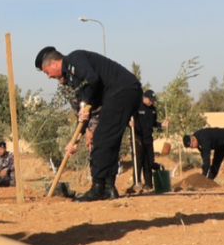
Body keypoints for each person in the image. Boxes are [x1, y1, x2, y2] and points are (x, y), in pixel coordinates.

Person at [35, 47, 142, 202]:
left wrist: (85, 104)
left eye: (46, 72)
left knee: (101, 139)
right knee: (109, 141)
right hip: (124, 93)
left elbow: (92, 79)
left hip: (123, 90)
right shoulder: (72, 78)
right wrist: (76, 139)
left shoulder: (74, 59)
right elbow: (84, 113)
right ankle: (109, 188)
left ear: (53, 64)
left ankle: (97, 188)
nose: (49, 77)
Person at [130, 89, 161, 193]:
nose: (152, 102)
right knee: (138, 162)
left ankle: (148, 184)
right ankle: (136, 183)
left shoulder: (153, 109)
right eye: (150, 100)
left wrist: (162, 125)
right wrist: (129, 124)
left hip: (148, 138)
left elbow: (154, 123)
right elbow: (128, 119)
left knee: (149, 162)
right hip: (138, 138)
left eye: (153, 100)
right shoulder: (136, 107)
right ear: (145, 98)